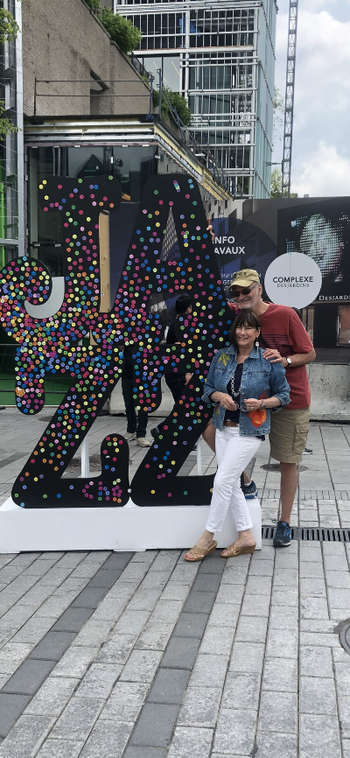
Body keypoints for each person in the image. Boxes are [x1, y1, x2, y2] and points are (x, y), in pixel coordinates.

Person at [184, 310, 290, 562]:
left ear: (257, 332)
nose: (242, 332)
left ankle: (207, 537)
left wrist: (262, 404)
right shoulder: (221, 356)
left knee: (221, 481)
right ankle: (246, 536)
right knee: (230, 483)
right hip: (223, 427)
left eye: (248, 328)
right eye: (239, 327)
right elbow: (207, 389)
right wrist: (218, 396)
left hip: (250, 430)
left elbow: (284, 395)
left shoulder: (268, 360)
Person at [229, 268, 316, 547]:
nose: (241, 296)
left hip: (290, 399)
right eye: (237, 292)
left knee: (287, 461)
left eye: (246, 290)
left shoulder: (285, 314)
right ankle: (247, 482)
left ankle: (285, 522)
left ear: (259, 288)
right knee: (217, 434)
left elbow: (310, 353)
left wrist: (285, 360)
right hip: (250, 399)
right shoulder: (235, 314)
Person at [151, 293, 193, 440]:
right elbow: (185, 351)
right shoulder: (182, 325)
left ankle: (177, 435)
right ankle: (162, 429)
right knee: (184, 407)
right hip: (179, 374)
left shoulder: (174, 324)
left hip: (173, 373)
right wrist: (189, 371)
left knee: (183, 406)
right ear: (188, 310)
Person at [122, 345, 150, 448]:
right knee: (129, 404)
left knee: (143, 406)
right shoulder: (125, 333)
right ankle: (131, 430)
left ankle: (141, 434)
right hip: (127, 375)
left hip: (142, 375)